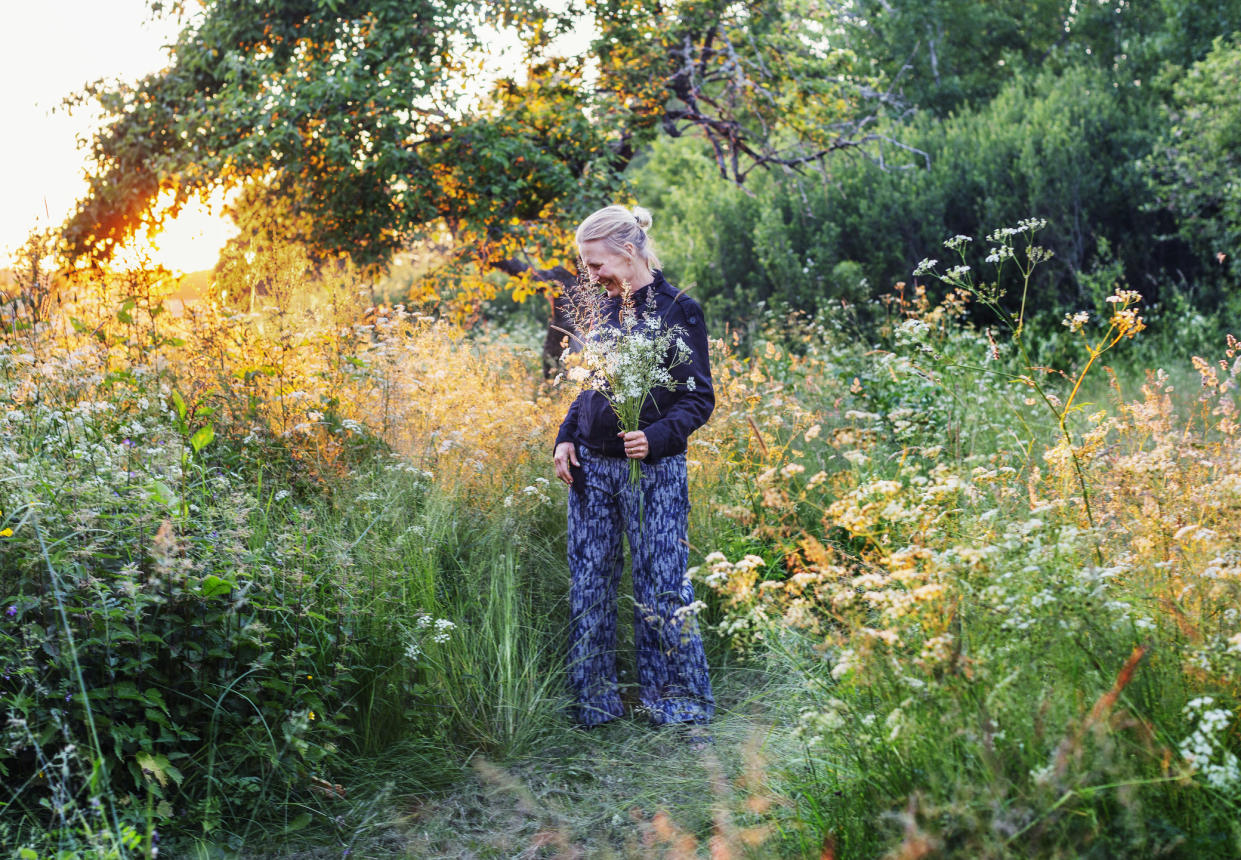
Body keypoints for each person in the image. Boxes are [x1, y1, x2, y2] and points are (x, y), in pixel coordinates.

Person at [552, 204, 715, 729]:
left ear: (628, 250)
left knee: (662, 585)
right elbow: (590, 388)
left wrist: (657, 437)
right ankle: (593, 703)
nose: (590, 276)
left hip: (655, 473)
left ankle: (678, 703)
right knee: (590, 586)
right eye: (586, 266)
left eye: (596, 265)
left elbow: (699, 399)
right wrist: (565, 437)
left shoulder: (679, 309)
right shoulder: (604, 310)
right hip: (590, 473)